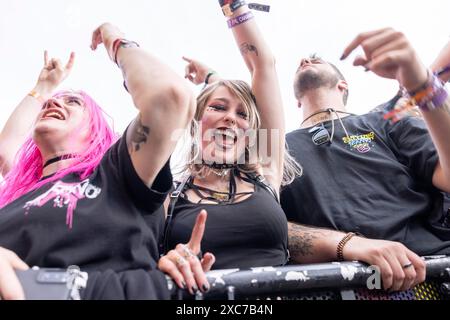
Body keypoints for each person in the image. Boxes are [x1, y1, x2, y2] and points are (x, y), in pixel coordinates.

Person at [0, 22, 195, 299]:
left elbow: (170, 96)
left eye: (72, 102)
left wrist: (113, 40)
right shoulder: (21, 194)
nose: (54, 104)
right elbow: (6, 150)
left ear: (96, 130)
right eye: (50, 103)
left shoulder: (117, 173)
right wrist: (44, 86)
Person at [280, 28, 450, 292]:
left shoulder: (386, 121)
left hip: (427, 276)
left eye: (317, 59)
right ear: (295, 100)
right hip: (334, 286)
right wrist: (349, 244)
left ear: (343, 85)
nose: (304, 60)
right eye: (301, 62)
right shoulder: (273, 146)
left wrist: (423, 83)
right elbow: (260, 224)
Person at [157, 1, 302, 295]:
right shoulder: (168, 199)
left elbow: (263, 64)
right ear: (195, 122)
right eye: (219, 108)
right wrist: (166, 261)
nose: (230, 119)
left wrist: (232, 6)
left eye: (242, 114)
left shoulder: (265, 172)